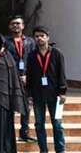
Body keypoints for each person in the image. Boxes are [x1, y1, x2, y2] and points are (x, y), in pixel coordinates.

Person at [26, 25, 67, 153]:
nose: (39, 38)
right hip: (38, 95)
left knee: (58, 124)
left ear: (47, 37)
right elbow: (30, 75)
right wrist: (29, 93)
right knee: (39, 125)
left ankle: (60, 149)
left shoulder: (57, 53)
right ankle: (43, 149)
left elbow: (62, 73)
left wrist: (63, 92)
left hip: (55, 95)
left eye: (42, 36)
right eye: (37, 36)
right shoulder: (32, 55)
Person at [4, 14, 37, 143]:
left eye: (18, 23)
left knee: (26, 106)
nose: (16, 26)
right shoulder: (5, 42)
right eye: (13, 23)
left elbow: (34, 60)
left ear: (23, 26)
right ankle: (9, 133)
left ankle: (24, 132)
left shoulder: (30, 41)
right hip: (11, 79)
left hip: (26, 79)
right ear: (9, 26)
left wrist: (29, 76)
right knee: (10, 106)